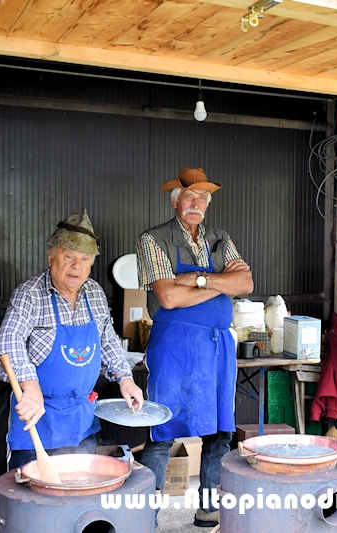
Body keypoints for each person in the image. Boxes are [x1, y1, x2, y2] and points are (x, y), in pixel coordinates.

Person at [136, 168, 253, 528]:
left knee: (220, 431)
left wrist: (200, 280)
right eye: (189, 197)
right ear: (176, 201)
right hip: (174, 349)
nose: (195, 203)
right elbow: (168, 297)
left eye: (202, 198)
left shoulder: (220, 238)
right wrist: (222, 283)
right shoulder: (153, 239)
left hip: (217, 348)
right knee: (161, 430)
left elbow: (245, 283)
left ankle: (208, 508)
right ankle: (143, 515)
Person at [0, 208, 144, 470]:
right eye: (69, 256)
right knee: (30, 500)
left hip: (81, 419)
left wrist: (126, 379)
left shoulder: (94, 293)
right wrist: (30, 388)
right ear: (51, 255)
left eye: (85, 259)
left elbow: (108, 341)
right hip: (38, 419)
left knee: (78, 492)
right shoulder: (29, 295)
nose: (77, 266)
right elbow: (9, 342)